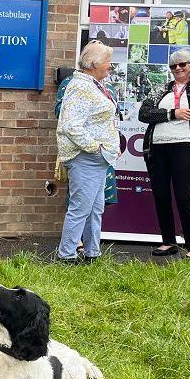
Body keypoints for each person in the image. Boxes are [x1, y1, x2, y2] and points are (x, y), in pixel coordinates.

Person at [139, 50, 190, 259]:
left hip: (185, 147)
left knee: (183, 196)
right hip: (156, 148)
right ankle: (168, 241)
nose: (178, 69)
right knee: (161, 195)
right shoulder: (161, 89)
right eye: (173, 66)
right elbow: (144, 114)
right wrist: (172, 114)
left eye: (183, 64)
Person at [56, 41, 121, 263]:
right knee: (80, 209)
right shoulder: (81, 86)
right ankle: (66, 255)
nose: (110, 66)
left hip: (97, 159)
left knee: (95, 209)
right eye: (107, 61)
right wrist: (96, 148)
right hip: (86, 158)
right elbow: (70, 125)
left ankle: (92, 252)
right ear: (94, 63)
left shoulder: (93, 84)